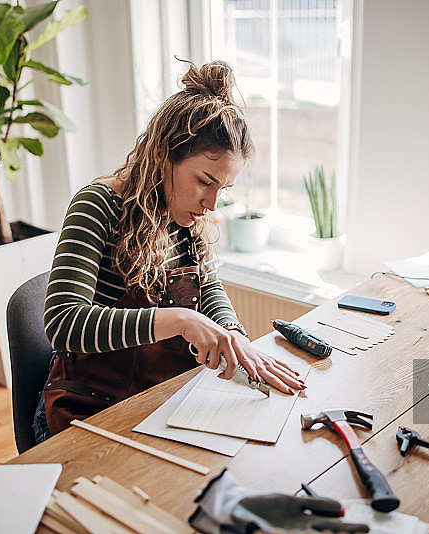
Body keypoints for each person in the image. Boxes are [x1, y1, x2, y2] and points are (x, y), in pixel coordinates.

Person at [33, 60, 306, 443]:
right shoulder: (98, 205)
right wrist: (180, 320)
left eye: (222, 189)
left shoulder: (189, 215)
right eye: (204, 182)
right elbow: (64, 325)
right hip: (88, 406)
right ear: (164, 155)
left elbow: (208, 287)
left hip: (157, 397)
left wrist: (233, 333)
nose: (211, 204)